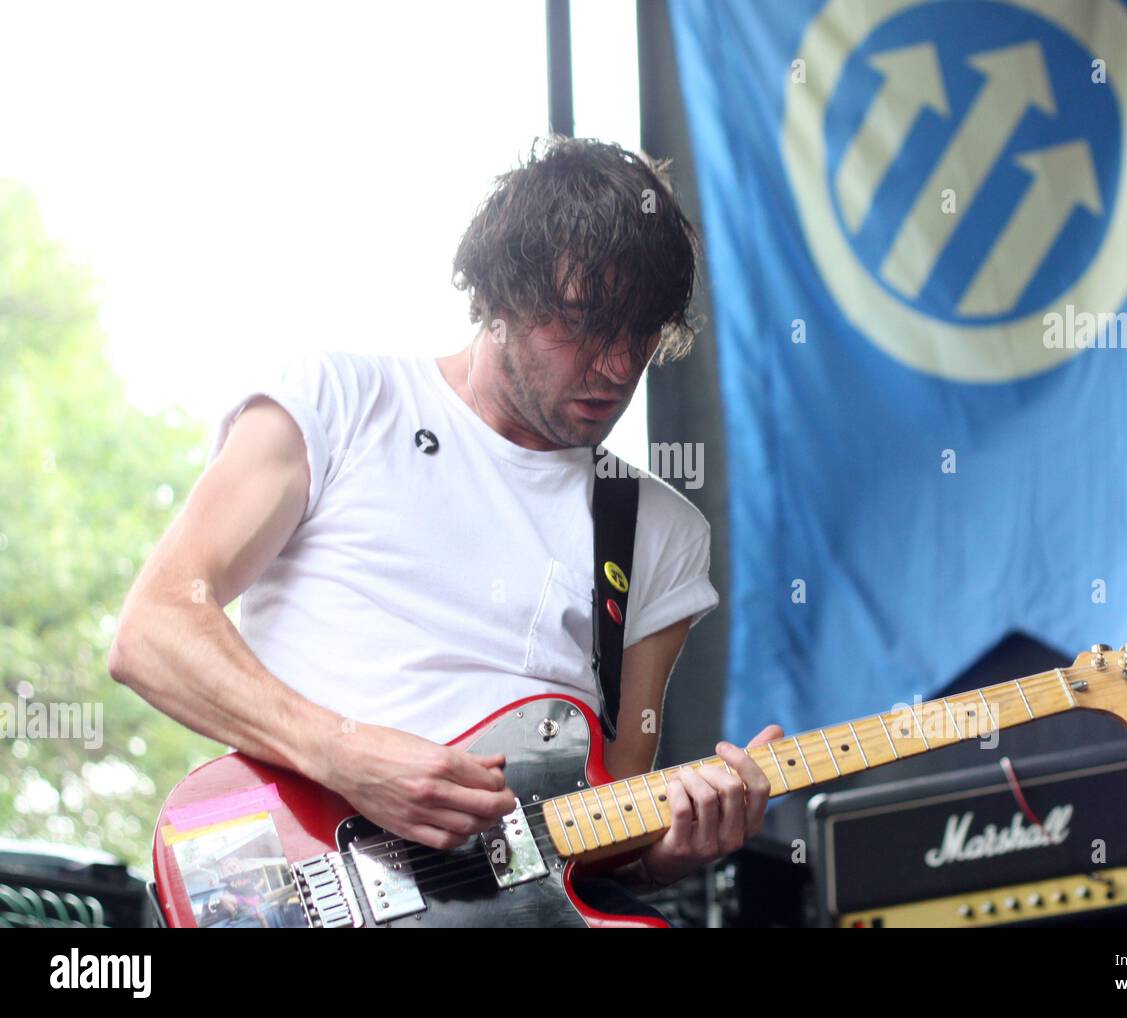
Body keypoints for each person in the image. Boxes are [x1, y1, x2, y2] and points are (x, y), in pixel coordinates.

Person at [108, 135, 783, 925]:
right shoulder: (339, 401)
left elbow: (609, 827)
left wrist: (670, 853)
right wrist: (344, 753)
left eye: (640, 334)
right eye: (581, 325)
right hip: (297, 883)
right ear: (497, 297)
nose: (614, 366)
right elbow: (153, 631)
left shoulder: (658, 531)